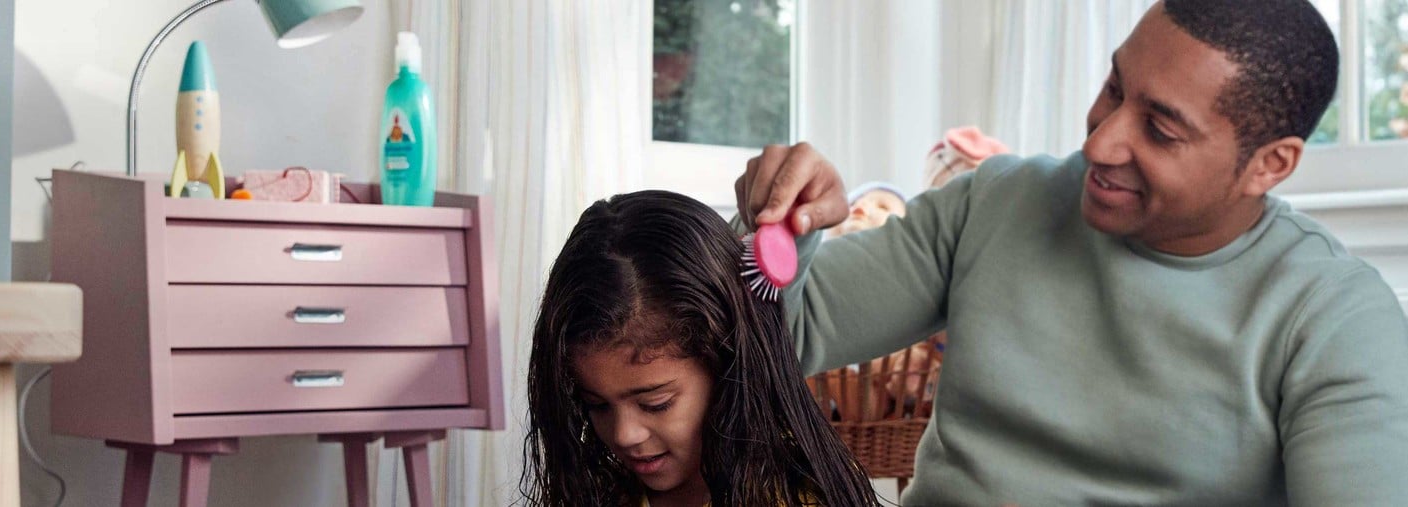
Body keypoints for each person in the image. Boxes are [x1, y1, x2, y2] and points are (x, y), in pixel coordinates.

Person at [732, 0, 1408, 504]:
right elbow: (783, 331)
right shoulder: (994, 202)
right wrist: (783, 230)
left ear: (1269, 165)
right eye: (1114, 88)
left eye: (1160, 128)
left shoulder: (1334, 321)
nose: (1100, 142)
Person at [521, 191, 878, 507]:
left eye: (655, 404)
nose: (624, 434)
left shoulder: (800, 496)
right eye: (596, 405)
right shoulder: (607, 493)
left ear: (727, 368)